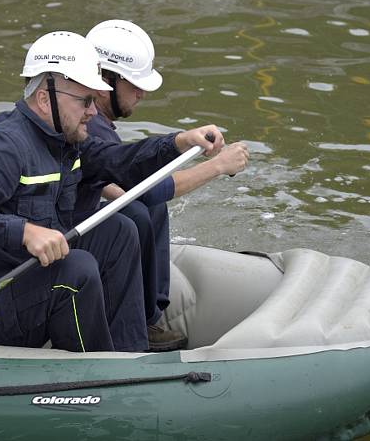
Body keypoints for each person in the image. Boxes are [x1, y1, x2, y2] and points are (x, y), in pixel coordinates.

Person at [0, 31, 222, 353]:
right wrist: (26, 232)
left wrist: (178, 142)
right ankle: (96, 376)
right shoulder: (4, 147)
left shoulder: (63, 141)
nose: (93, 112)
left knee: (118, 230)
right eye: (85, 101)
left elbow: (119, 160)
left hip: (18, 280)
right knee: (76, 270)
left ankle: (130, 355)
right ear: (45, 98)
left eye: (94, 101)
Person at [80, 20, 250, 351]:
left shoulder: (93, 124)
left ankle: (147, 315)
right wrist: (217, 166)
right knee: (138, 213)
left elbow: (121, 180)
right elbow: (146, 190)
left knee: (145, 208)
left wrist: (180, 144)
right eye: (134, 85)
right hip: (59, 239)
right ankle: (134, 328)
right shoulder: (89, 128)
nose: (142, 93)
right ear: (104, 81)